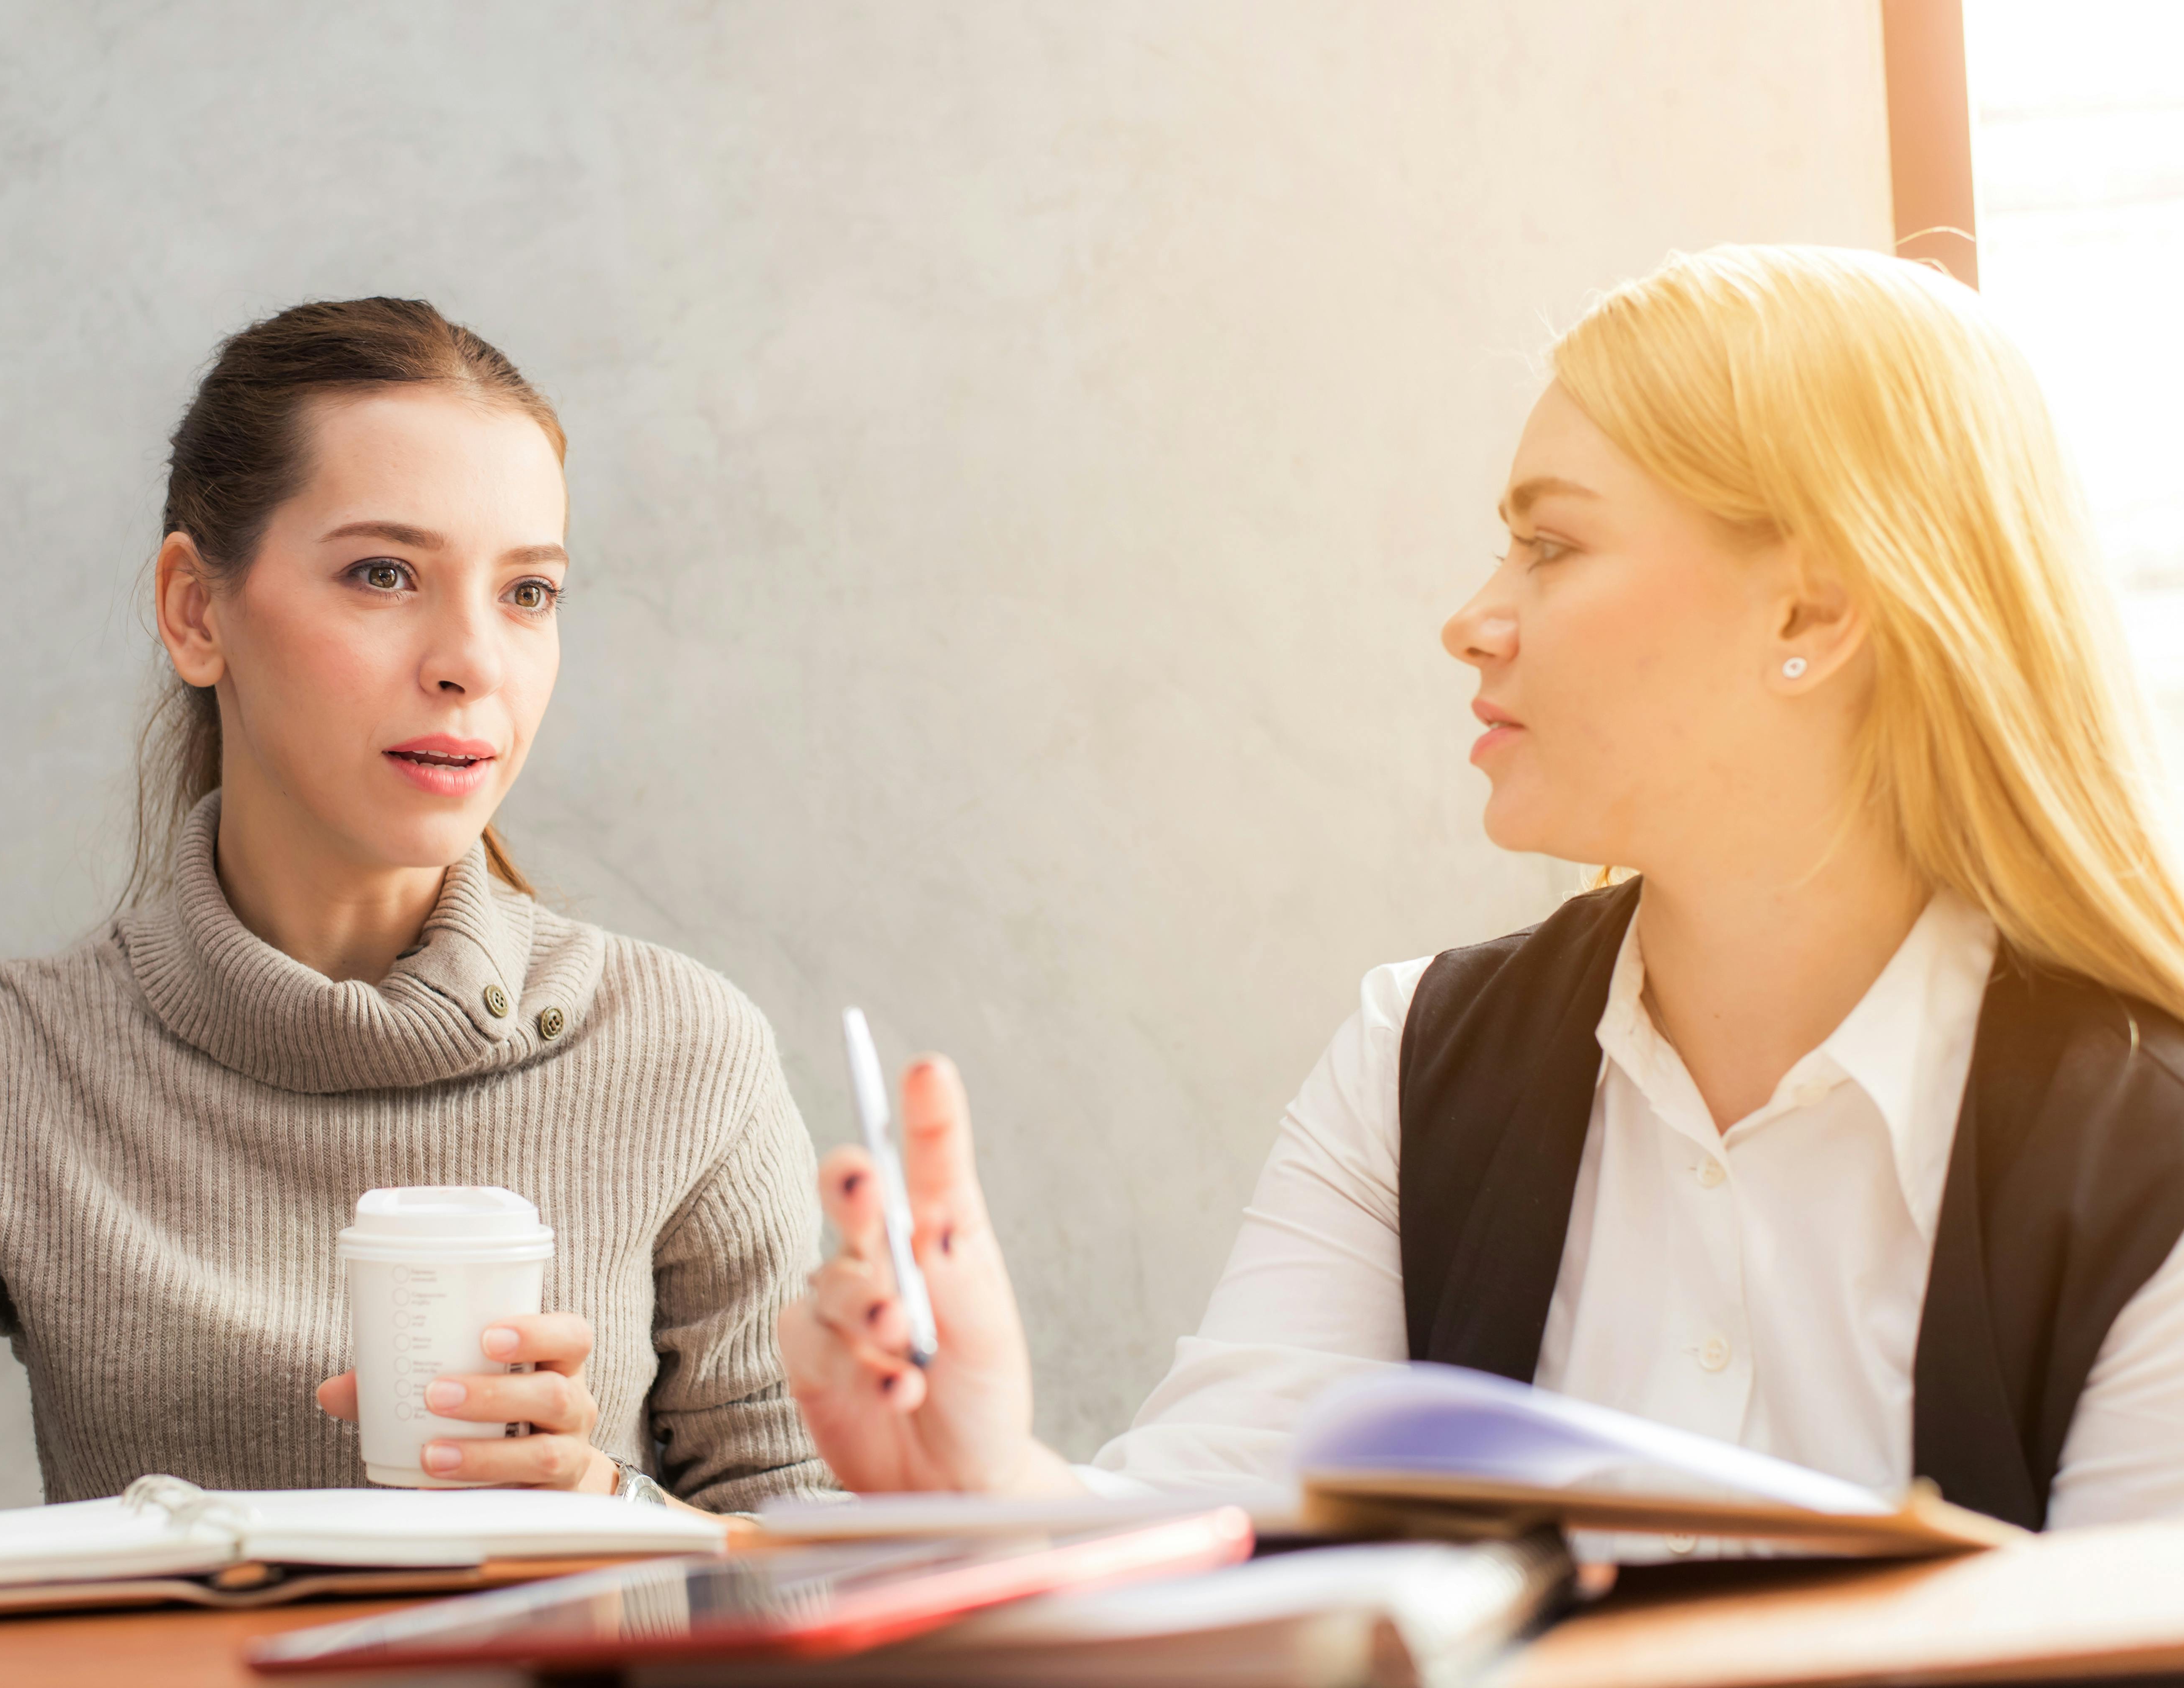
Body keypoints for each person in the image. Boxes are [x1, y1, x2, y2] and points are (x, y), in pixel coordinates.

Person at [781, 245, 2184, 1534]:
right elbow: (1216, 1549)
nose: (1472, 620)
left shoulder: (2146, 1149)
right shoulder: (1415, 1060)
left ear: (1812, 614)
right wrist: (986, 1479)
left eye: (1552, 545)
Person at [0, 298, 829, 1553]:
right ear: (195, 612)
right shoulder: (8, 1059)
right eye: (385, 574)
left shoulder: (685, 1051)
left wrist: (618, 1515)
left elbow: (826, 1546)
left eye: (529, 592)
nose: (472, 662)